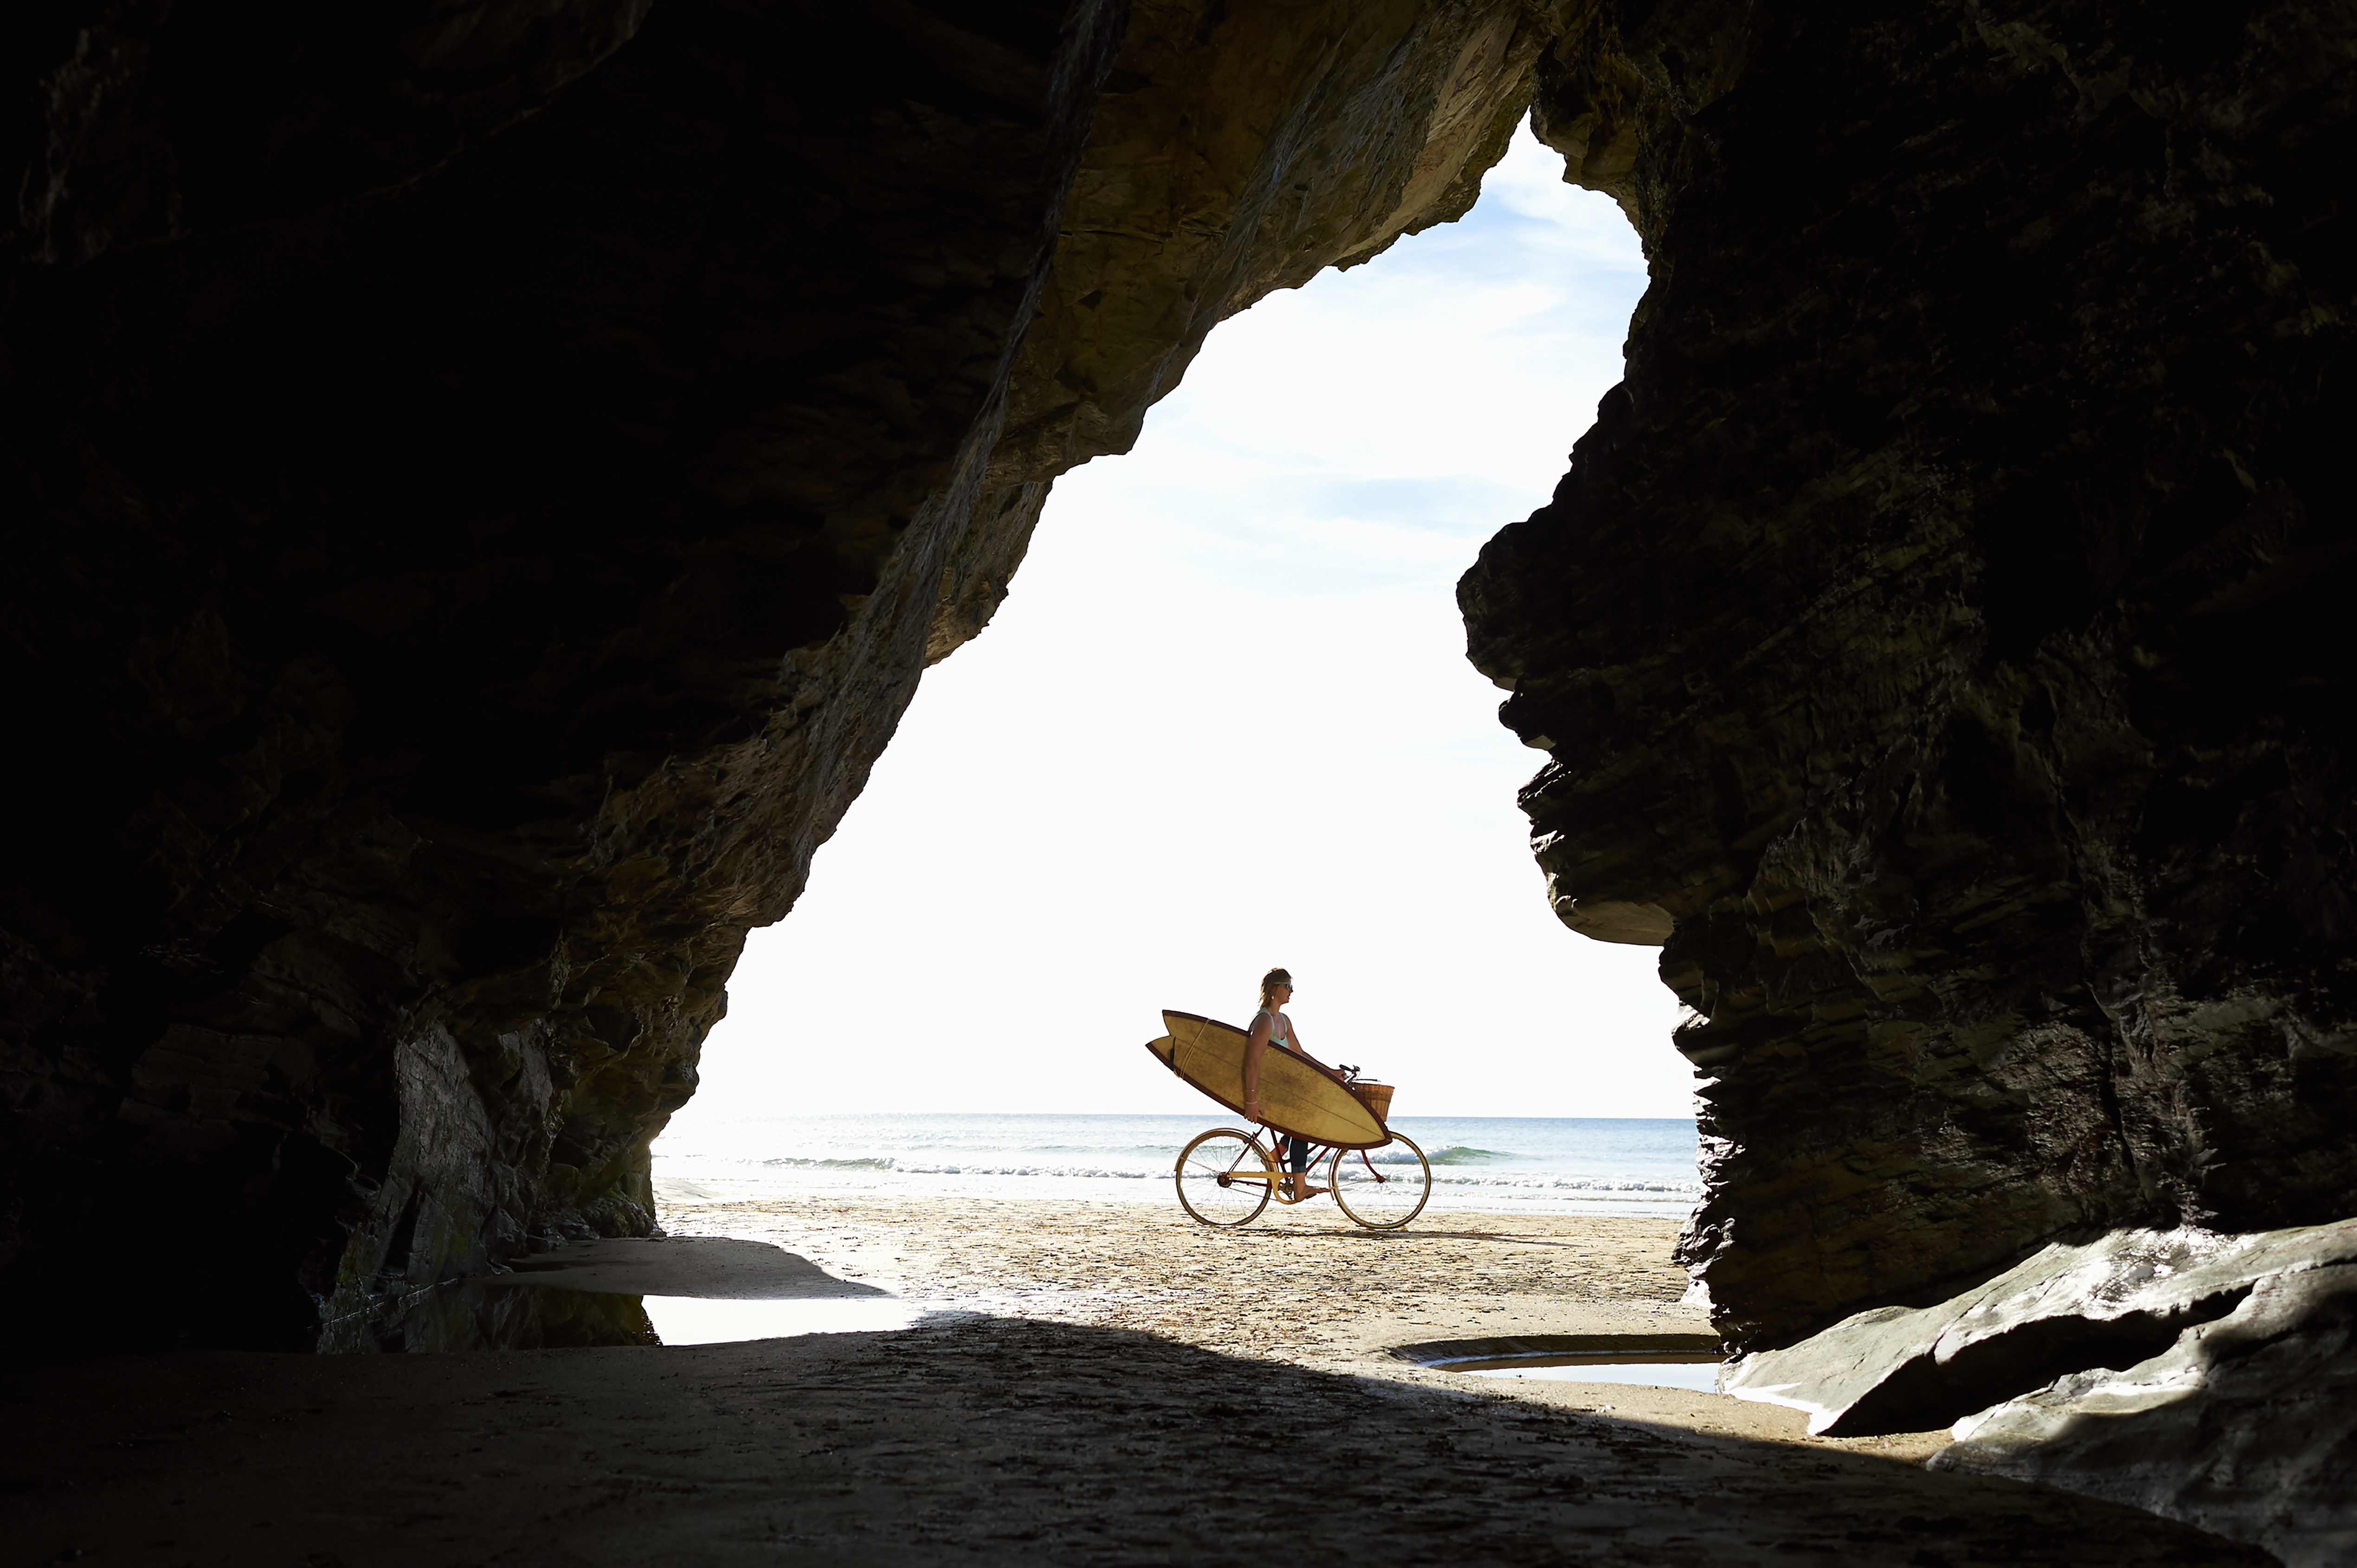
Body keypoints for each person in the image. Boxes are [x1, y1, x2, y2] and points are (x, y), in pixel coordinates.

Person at [1241, 967, 1337, 1200]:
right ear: (1275, 989)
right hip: (1271, 1093)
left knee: (1306, 1118)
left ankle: (1276, 1156)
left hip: (1284, 1091)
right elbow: (1252, 1063)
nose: (1292, 991)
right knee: (1303, 1128)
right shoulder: (1265, 1021)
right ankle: (1299, 1187)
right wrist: (1251, 1102)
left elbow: (1300, 1055)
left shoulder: (1283, 1020)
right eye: (1288, 986)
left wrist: (1331, 1072)